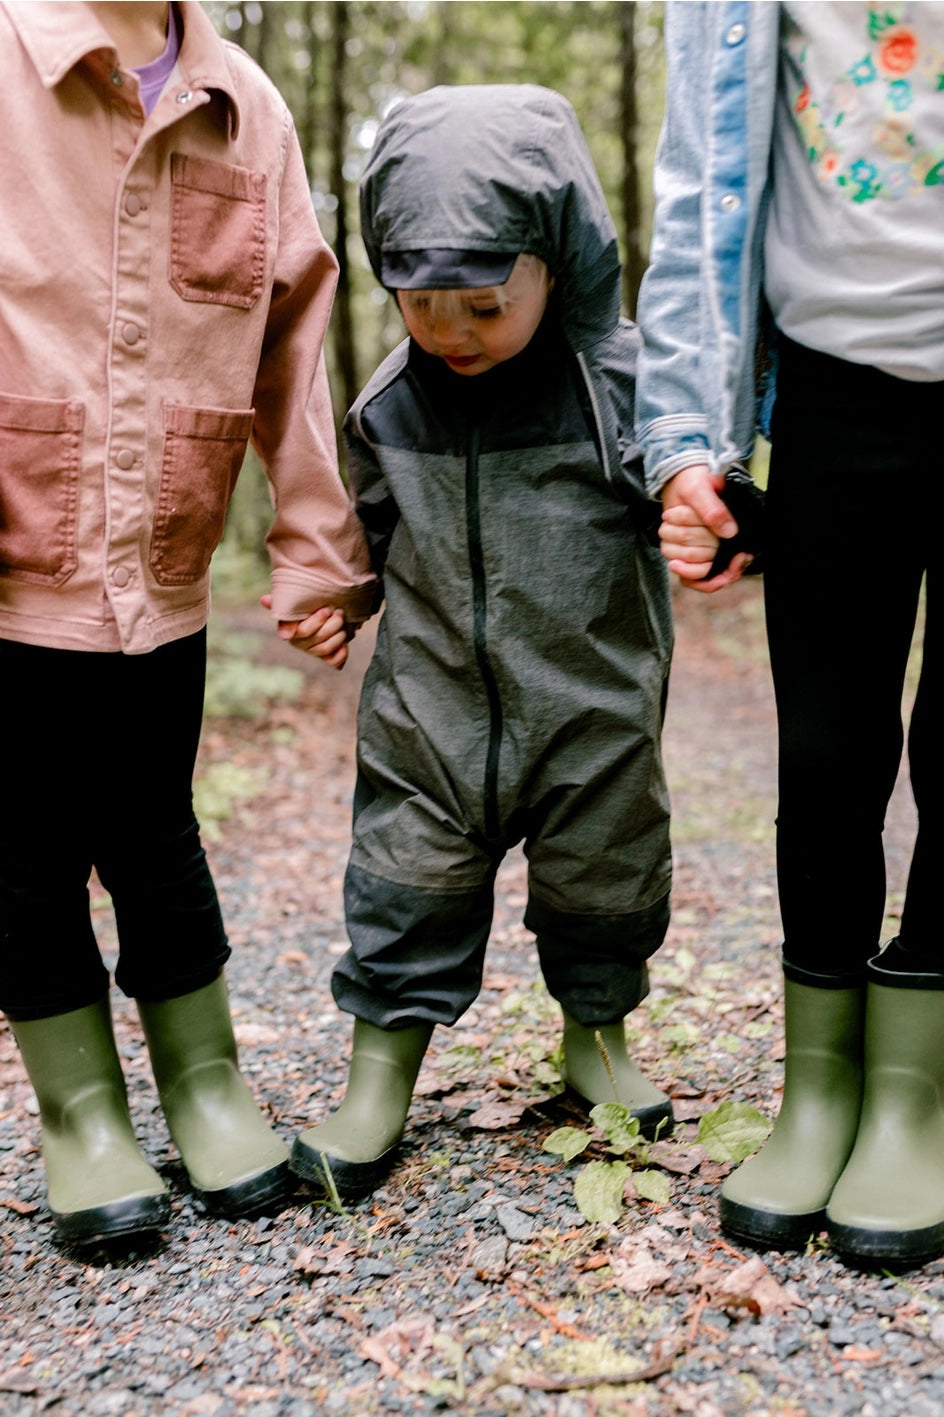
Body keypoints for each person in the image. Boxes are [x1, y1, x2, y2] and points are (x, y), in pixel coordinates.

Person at [0, 1, 377, 1246]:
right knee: (24, 855)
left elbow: (295, 339)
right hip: (13, 557)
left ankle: (206, 1086)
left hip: (160, 563)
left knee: (155, 831)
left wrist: (319, 546)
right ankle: (82, 1118)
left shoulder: (244, 105)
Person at [289, 83, 676, 1201]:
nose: (447, 334)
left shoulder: (619, 386)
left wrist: (710, 511)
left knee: (605, 867)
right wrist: (340, 591)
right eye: (419, 306)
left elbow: (687, 484)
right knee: (405, 869)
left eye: (480, 306)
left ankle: (594, 1037)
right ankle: (380, 1072)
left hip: (589, 705)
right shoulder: (392, 402)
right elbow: (362, 521)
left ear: (556, 261)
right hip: (430, 710)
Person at [635, 2, 943, 1267]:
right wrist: (684, 446)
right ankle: (818, 1088)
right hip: (827, 392)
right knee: (824, 753)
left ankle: (914, 1101)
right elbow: (697, 189)